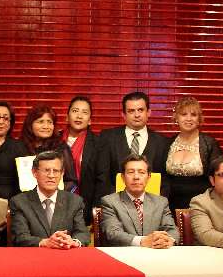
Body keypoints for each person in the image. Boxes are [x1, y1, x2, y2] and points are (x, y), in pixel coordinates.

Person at [9, 151, 89, 248]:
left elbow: (82, 233)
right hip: (33, 257)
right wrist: (44, 242)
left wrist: (73, 242)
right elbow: (20, 237)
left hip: (65, 256)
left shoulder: (75, 201)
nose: (51, 175)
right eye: (46, 170)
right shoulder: (19, 202)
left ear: (62, 173)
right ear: (34, 172)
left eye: (55, 171)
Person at [100, 154, 178, 248]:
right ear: (123, 177)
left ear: (149, 177)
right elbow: (113, 233)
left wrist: (169, 241)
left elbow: (172, 230)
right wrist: (142, 241)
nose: (136, 177)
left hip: (156, 255)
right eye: (131, 172)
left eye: (141, 172)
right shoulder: (109, 202)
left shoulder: (161, 202)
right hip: (124, 256)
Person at [100, 91, 169, 195]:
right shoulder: (108, 138)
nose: (137, 115)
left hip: (152, 205)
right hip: (115, 204)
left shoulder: (162, 142)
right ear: (123, 114)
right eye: (131, 111)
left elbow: (165, 180)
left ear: (149, 112)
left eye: (140, 110)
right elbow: (103, 177)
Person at [165, 96, 222, 211]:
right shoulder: (168, 143)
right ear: (176, 117)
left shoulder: (209, 143)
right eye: (184, 114)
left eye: (193, 115)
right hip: (170, 205)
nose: (189, 119)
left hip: (202, 205)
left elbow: (218, 176)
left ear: (199, 119)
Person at [62, 96, 108, 225]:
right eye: (75, 111)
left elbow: (102, 180)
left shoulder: (98, 144)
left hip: (85, 205)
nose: (79, 116)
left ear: (90, 121)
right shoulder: (55, 140)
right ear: (67, 117)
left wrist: (95, 211)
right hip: (56, 203)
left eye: (85, 112)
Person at [20, 103, 78, 192]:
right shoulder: (19, 147)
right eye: (41, 122)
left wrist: (55, 195)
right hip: (24, 201)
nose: (46, 126)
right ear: (30, 125)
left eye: (50, 122)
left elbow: (71, 181)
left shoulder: (61, 148)